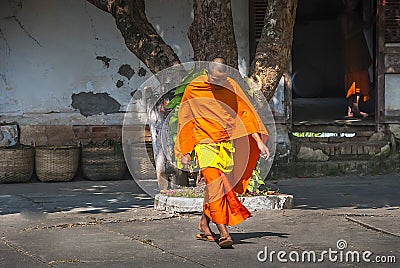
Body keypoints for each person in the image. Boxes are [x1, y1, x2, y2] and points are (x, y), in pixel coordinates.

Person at [174, 57, 270, 248]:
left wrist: (258, 142)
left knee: (214, 188)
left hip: (225, 143)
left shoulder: (231, 86)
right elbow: (185, 119)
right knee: (216, 185)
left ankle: (204, 223)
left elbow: (245, 113)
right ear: (207, 73)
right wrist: (185, 150)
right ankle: (224, 232)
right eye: (215, 79)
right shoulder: (194, 88)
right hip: (204, 142)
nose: (219, 84)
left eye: (222, 79)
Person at [340, 0, 373, 118]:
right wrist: (361, 28)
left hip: (359, 50)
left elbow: (365, 26)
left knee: (360, 77)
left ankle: (352, 109)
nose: (353, 3)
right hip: (351, 52)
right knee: (353, 78)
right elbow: (346, 35)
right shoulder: (345, 17)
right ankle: (354, 108)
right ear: (344, 2)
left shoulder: (355, 15)